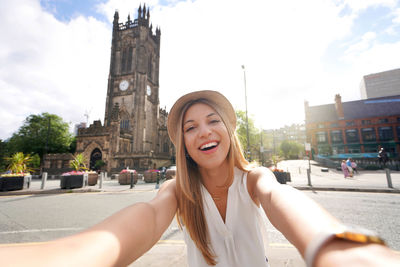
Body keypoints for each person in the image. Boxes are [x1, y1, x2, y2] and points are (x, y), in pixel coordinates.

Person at [1, 90, 399, 267]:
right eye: (190, 127)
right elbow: (140, 222)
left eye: (213, 121)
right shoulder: (177, 190)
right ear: (182, 143)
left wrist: (338, 247)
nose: (204, 132)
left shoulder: (254, 178)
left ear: (228, 129)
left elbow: (285, 202)